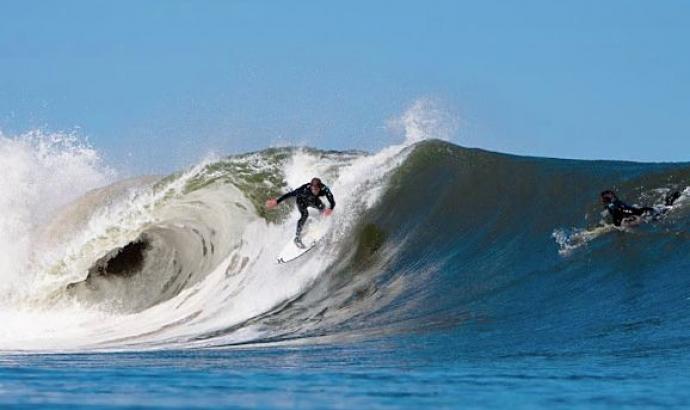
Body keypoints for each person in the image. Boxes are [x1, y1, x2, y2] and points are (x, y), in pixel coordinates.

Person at [266, 177, 335, 248]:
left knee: (323, 208)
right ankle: (297, 237)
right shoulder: (303, 190)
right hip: (301, 201)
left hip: (313, 200)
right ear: (311, 187)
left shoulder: (324, 189)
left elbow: (332, 200)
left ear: (320, 187)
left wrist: (330, 208)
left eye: (317, 189)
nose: (315, 191)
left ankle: (323, 223)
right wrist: (277, 201)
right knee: (305, 215)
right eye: (313, 189)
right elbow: (289, 194)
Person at [601, 190, 680, 227]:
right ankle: (671, 200)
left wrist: (618, 225)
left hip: (641, 212)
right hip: (640, 211)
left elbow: (618, 214)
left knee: (665, 211)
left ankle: (673, 198)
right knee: (662, 210)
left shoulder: (613, 206)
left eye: (603, 200)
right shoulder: (616, 203)